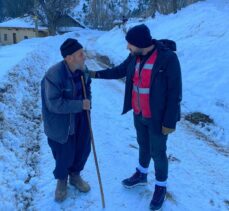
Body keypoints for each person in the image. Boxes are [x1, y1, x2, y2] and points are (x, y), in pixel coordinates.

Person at [89, 24, 182, 210]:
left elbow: (175, 92)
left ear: (140, 43)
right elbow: (118, 70)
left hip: (158, 118)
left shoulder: (168, 58)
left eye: (130, 44)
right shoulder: (134, 56)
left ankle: (161, 187)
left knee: (158, 152)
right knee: (143, 145)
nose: (127, 48)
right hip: (139, 113)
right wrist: (94, 74)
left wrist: (170, 121)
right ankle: (141, 174)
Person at [41, 38, 92, 202]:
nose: (84, 56)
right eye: (80, 54)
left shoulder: (83, 70)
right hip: (61, 124)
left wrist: (87, 103)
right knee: (64, 154)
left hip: (81, 119)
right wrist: (80, 105)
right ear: (69, 58)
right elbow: (54, 104)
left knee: (82, 149)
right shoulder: (54, 75)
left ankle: (75, 176)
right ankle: (62, 180)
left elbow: (88, 89)